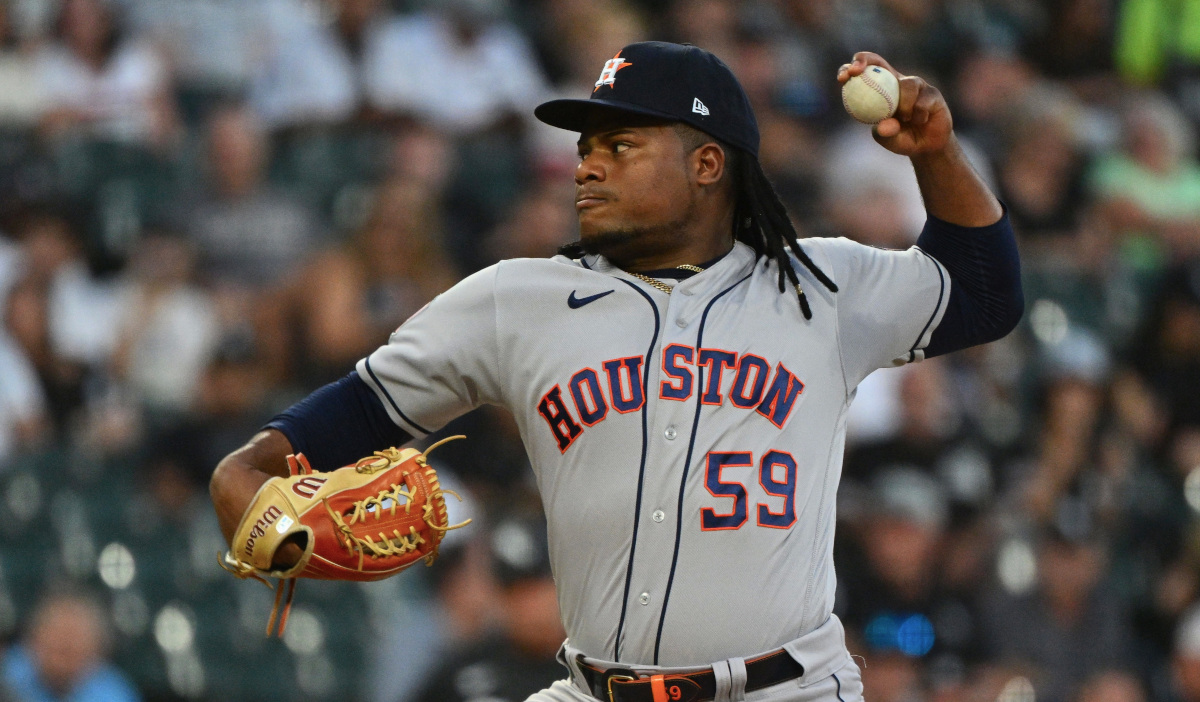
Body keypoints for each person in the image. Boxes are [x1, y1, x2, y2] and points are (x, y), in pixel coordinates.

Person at [210, 42, 1022, 701]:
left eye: (620, 146)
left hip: (785, 690)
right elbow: (331, 428)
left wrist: (939, 155)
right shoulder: (516, 299)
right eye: (586, 147)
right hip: (590, 688)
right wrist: (246, 486)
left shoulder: (821, 285)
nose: (587, 167)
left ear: (708, 164)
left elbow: (986, 295)